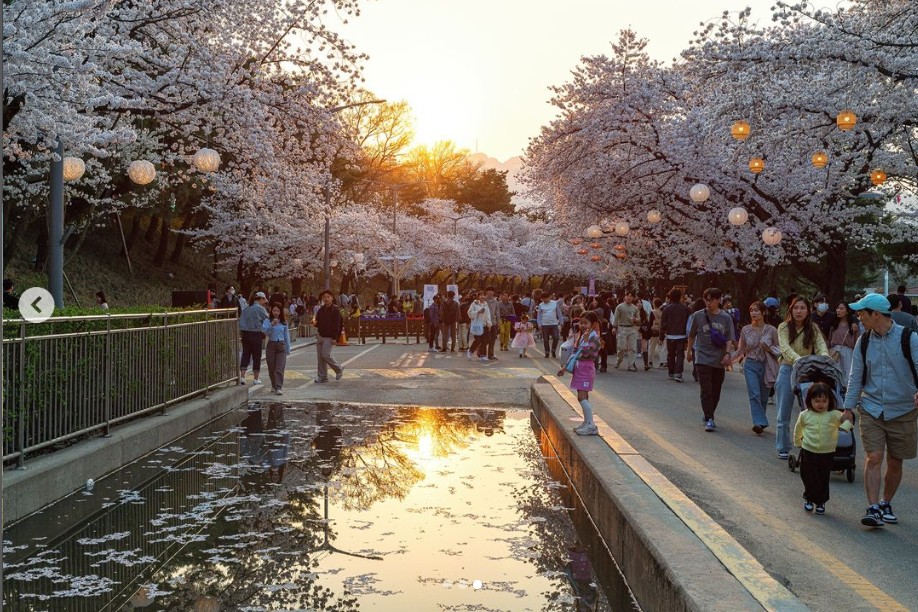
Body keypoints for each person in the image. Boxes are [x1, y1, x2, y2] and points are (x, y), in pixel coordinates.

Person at [844, 294, 918, 528]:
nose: (859, 318)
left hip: (903, 409)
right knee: (874, 457)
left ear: (876, 314)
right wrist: (848, 408)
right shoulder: (863, 341)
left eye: (862, 314)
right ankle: (873, 507)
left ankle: (886, 502)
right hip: (872, 407)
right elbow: (855, 376)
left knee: (895, 461)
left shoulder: (909, 338)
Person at [774, 297, 829, 459]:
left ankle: (809, 445)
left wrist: (825, 357)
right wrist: (798, 359)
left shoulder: (813, 328)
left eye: (802, 308)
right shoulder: (783, 327)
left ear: (808, 311)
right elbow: (785, 348)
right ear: (791, 310)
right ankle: (783, 447)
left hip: (807, 371)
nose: (799, 311)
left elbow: (820, 345)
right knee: (783, 411)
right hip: (788, 369)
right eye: (796, 308)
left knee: (809, 410)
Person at [794, 383, 854, 515]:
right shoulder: (805, 415)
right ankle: (809, 498)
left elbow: (848, 422)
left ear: (829, 401)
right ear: (810, 400)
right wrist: (798, 441)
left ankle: (821, 501)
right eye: (817, 401)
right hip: (808, 450)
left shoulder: (834, 415)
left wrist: (844, 427)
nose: (820, 404)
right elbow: (798, 428)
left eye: (824, 401)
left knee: (823, 477)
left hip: (827, 452)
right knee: (808, 475)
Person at [686, 288, 735, 432]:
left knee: (716, 390)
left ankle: (708, 413)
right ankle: (710, 418)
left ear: (719, 300)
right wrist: (688, 352)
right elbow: (692, 336)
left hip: (719, 359)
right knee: (706, 389)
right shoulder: (698, 315)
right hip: (702, 357)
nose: (709, 303)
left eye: (712, 300)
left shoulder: (726, 318)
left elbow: (729, 338)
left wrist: (727, 354)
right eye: (706, 300)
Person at [731, 301, 780, 435]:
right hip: (750, 364)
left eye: (756, 310)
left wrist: (768, 349)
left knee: (763, 397)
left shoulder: (772, 330)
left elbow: (779, 349)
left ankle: (760, 422)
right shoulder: (746, 330)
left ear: (763, 312)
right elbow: (741, 349)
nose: (753, 313)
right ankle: (758, 422)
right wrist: (729, 359)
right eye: (751, 310)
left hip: (766, 365)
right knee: (754, 394)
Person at [566, 311, 603, 436]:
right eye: (581, 323)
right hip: (580, 368)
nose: (583, 325)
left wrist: (586, 342)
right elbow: (576, 352)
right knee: (583, 396)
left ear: (593, 324)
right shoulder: (583, 336)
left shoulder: (594, 338)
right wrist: (565, 367)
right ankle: (587, 422)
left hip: (586, 369)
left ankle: (591, 425)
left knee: (582, 397)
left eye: (586, 323)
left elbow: (587, 354)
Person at [238, 292, 269, 385]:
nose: (264, 302)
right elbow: (267, 319)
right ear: (261, 299)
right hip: (256, 334)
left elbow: (241, 323)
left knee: (245, 354)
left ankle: (242, 376)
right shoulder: (260, 309)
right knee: (256, 356)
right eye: (264, 299)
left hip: (245, 334)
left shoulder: (246, 309)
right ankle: (256, 378)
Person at [314, 289, 344, 383]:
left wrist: (335, 337)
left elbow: (337, 324)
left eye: (328, 297)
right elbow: (317, 321)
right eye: (324, 297)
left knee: (325, 355)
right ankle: (322, 376)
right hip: (320, 335)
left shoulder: (335, 310)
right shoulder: (321, 310)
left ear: (332, 298)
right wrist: (315, 323)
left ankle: (338, 368)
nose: (326, 299)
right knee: (320, 358)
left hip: (329, 336)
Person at [262, 302, 292, 394]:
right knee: (271, 367)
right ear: (271, 311)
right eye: (274, 310)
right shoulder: (267, 321)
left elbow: (286, 336)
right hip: (271, 345)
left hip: (281, 345)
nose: (276, 313)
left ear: (280, 312)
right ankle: (273, 385)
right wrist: (272, 325)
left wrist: (288, 348)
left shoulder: (284, 322)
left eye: (278, 311)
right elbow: (265, 332)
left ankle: (278, 387)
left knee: (279, 368)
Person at [661, 288, 690, 382]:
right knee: (680, 355)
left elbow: (663, 323)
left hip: (670, 335)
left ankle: (671, 373)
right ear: (680, 297)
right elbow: (688, 322)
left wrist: (661, 336)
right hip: (682, 335)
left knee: (671, 355)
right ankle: (678, 373)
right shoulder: (685, 308)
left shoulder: (667, 309)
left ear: (670, 297)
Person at [828, 301, 859, 378]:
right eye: (837, 308)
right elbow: (829, 340)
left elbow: (857, 342)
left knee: (847, 376)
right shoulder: (834, 324)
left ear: (847, 311)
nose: (838, 310)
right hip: (834, 353)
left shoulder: (853, 326)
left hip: (848, 354)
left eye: (841, 309)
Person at [613, 290, 640, 371]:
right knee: (621, 347)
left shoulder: (635, 308)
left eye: (631, 296)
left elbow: (639, 319)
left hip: (632, 328)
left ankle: (630, 365)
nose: (629, 297)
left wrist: (635, 319)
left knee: (633, 348)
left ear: (633, 298)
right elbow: (616, 318)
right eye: (627, 295)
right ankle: (619, 360)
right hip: (622, 328)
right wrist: (614, 327)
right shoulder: (619, 307)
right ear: (625, 297)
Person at [467, 291, 492, 362]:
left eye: (483, 295)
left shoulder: (486, 304)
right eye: (481, 295)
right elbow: (469, 313)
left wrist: (489, 324)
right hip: (477, 325)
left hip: (484, 325)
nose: (482, 296)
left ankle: (482, 355)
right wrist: (477, 312)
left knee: (485, 340)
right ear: (478, 296)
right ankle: (471, 350)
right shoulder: (475, 303)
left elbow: (488, 315)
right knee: (478, 340)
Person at [536, 292, 562, 358]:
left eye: (545, 298)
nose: (544, 300)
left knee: (556, 337)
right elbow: (539, 315)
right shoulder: (541, 305)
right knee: (546, 339)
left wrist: (561, 321)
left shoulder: (555, 303)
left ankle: (553, 350)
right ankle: (547, 352)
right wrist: (539, 324)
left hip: (554, 323)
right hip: (545, 324)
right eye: (543, 299)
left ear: (549, 297)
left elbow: (559, 313)